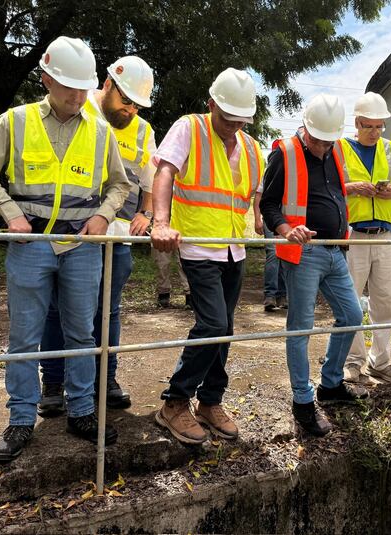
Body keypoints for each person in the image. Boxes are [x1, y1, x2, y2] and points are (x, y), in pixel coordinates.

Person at [0, 36, 130, 462]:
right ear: (46, 79)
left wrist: (103, 216)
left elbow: (119, 185)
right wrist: (7, 211)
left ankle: (81, 410)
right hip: (31, 240)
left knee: (82, 332)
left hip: (81, 243)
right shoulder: (14, 121)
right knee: (24, 336)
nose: (78, 96)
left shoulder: (100, 131)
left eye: (83, 88)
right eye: (68, 87)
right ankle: (21, 418)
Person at [37, 56, 157, 415]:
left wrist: (145, 213)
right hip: (71, 234)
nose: (131, 110)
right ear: (107, 86)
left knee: (109, 311)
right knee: (58, 310)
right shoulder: (74, 107)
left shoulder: (142, 131)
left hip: (116, 236)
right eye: (126, 101)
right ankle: (54, 385)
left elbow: (148, 181)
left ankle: (105, 380)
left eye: (137, 104)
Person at [150, 68, 264, 445]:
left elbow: (250, 195)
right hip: (198, 245)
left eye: (240, 119)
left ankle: (210, 402)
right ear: (211, 103)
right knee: (213, 324)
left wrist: (262, 223)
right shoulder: (190, 127)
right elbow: (165, 171)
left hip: (233, 247)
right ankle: (175, 403)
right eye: (226, 116)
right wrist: (161, 221)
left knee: (225, 327)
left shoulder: (249, 145)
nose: (232, 124)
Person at [260, 94, 367, 438]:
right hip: (303, 253)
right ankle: (303, 403)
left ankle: (330, 384)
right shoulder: (285, 153)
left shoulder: (334, 151)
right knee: (301, 328)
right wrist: (286, 229)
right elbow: (269, 204)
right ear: (306, 128)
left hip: (335, 250)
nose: (323, 146)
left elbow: (335, 193)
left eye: (329, 139)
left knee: (351, 315)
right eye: (319, 139)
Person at [336, 92, 391, 384]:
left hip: (385, 234)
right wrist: (353, 188)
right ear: (357, 122)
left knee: (386, 300)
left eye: (379, 127)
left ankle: (381, 361)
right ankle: (353, 361)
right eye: (369, 126)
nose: (375, 133)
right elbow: (329, 187)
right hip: (354, 234)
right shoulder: (339, 148)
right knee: (350, 300)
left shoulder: (389, 149)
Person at [252, 180, 287, 312]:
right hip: (271, 218)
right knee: (273, 253)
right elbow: (259, 196)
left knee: (286, 255)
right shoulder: (272, 168)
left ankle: (283, 296)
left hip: (289, 218)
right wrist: (257, 219)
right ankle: (270, 295)